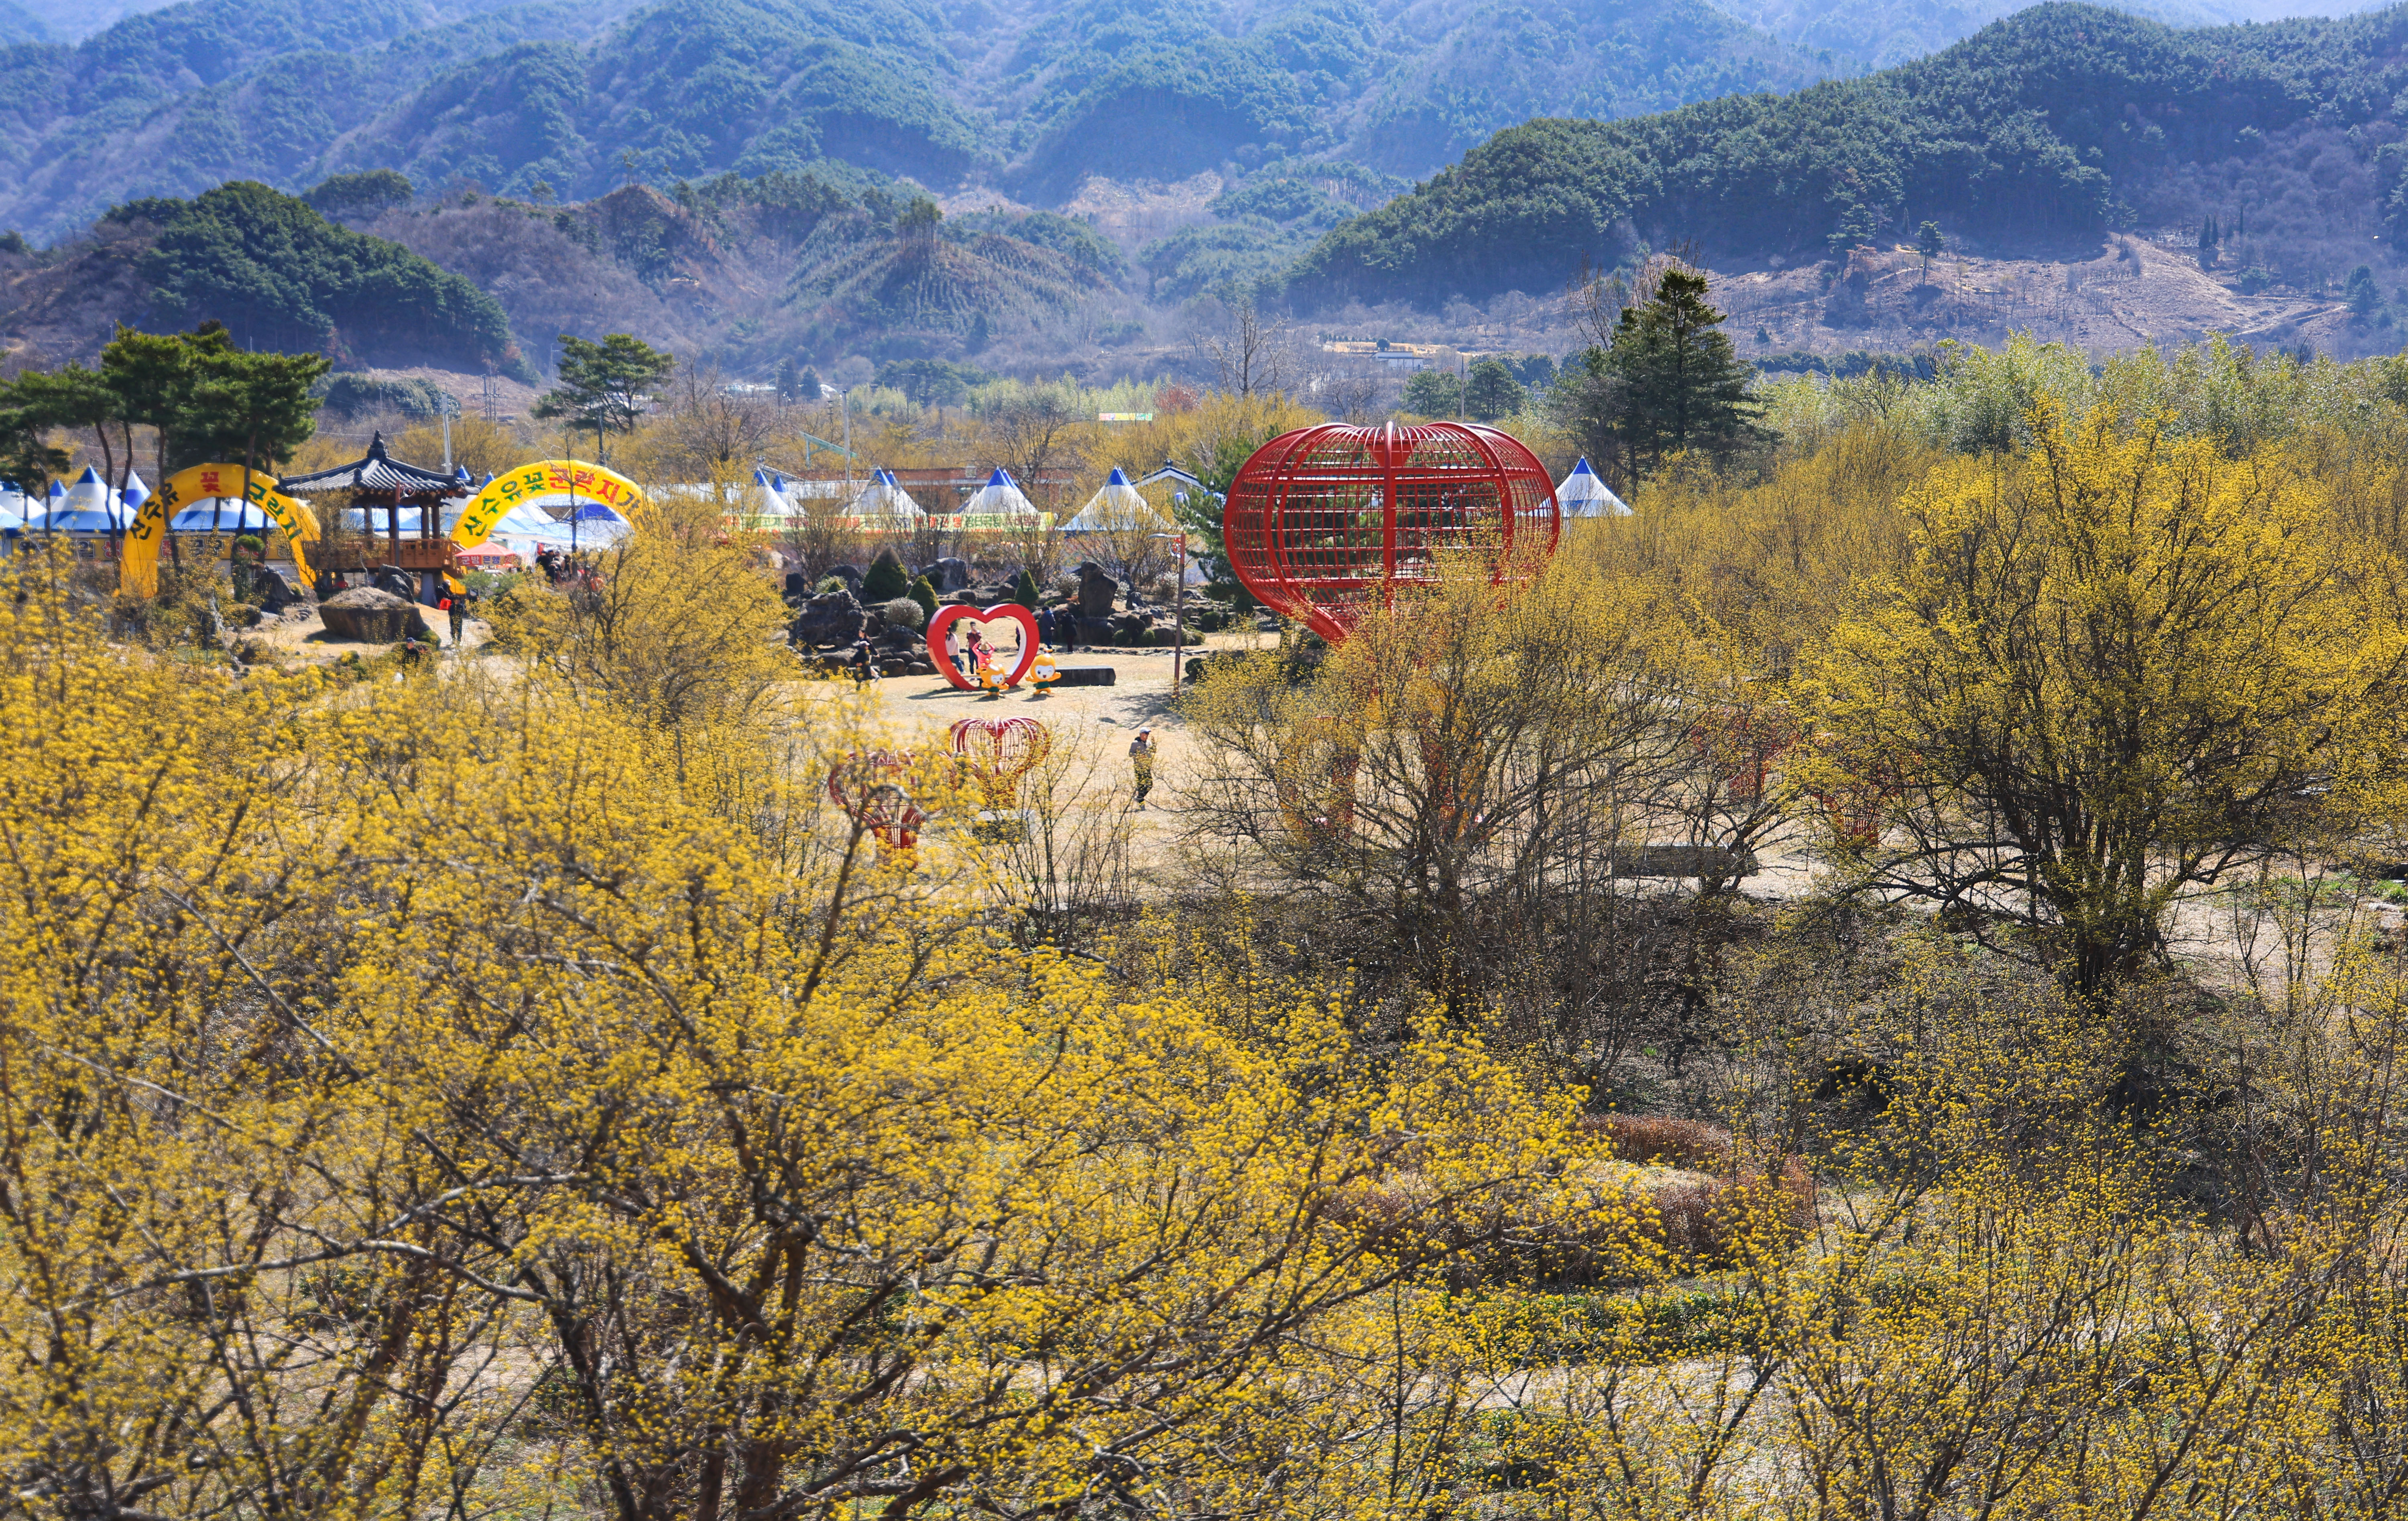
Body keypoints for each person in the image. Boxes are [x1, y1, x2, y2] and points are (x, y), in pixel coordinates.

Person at [1129, 728, 1156, 809]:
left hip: (1147, 767)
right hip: (1139, 767)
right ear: (1141, 734)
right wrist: (1139, 756)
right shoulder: (1135, 743)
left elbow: (1154, 751)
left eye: (1148, 733)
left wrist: (1154, 744)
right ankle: (1142, 806)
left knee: (1150, 785)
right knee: (1141, 787)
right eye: (1146, 733)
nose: (1147, 735)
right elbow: (1130, 754)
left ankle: (1139, 798)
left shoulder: (1149, 743)